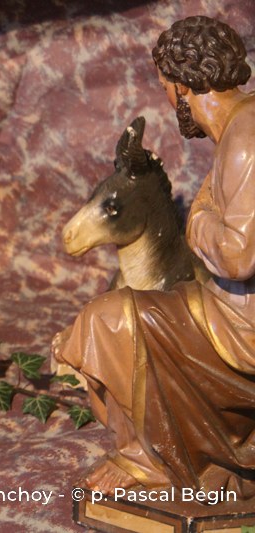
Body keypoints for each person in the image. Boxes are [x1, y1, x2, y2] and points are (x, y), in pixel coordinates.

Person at [53, 15, 255, 496]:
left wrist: (198, 218)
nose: (168, 98)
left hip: (242, 327)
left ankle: (152, 462)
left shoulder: (245, 141)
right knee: (117, 315)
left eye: (166, 86)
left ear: (183, 86)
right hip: (229, 307)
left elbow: (239, 257)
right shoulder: (242, 124)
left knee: (107, 320)